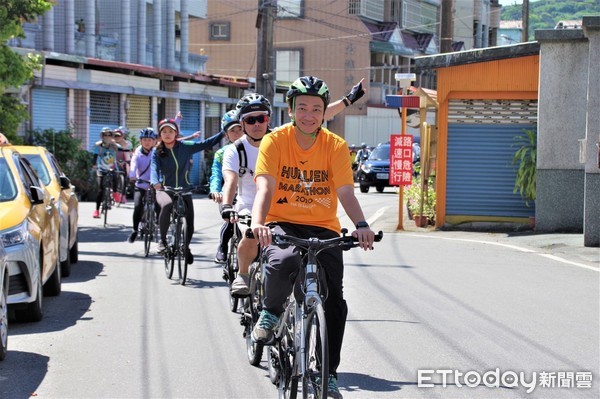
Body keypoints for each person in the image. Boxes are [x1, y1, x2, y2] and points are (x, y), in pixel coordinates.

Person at [250, 76, 376, 399]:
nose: (309, 114)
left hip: (324, 229)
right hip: (283, 222)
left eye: (316, 109)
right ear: (291, 109)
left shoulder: (335, 145)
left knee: (335, 303)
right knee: (283, 259)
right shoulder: (275, 140)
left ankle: (328, 373)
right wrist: (258, 222)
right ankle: (272, 311)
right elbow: (265, 187)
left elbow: (345, 192)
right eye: (302, 108)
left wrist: (361, 224)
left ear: (324, 113)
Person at [223, 80, 367, 296]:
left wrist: (348, 100)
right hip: (258, 207)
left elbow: (313, 115)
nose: (257, 124)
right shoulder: (242, 148)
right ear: (242, 124)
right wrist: (228, 205)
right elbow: (234, 181)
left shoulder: (322, 140)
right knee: (262, 246)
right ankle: (244, 276)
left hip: (308, 218)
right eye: (250, 120)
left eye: (261, 119)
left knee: (334, 295)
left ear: (267, 119)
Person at [151, 118, 224, 263]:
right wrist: (155, 182)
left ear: (176, 133)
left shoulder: (185, 146)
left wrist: (224, 131)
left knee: (189, 222)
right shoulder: (157, 152)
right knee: (166, 206)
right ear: (160, 135)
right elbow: (154, 168)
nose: (167, 134)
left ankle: (186, 247)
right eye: (164, 131)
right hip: (165, 189)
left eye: (170, 131)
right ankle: (163, 241)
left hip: (184, 189)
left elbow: (206, 143)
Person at [209, 110, 244, 263]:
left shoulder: (256, 148)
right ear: (226, 135)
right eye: (232, 131)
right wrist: (215, 191)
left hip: (250, 195)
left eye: (240, 129)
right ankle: (222, 247)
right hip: (229, 195)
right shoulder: (221, 154)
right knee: (231, 221)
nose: (237, 134)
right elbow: (216, 174)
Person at [127, 127, 157, 243]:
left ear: (154, 141)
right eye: (144, 140)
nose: (147, 142)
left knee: (160, 205)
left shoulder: (157, 153)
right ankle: (135, 230)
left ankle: (158, 226)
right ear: (140, 141)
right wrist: (132, 175)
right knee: (137, 205)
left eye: (150, 140)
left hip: (155, 184)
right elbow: (133, 165)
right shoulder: (137, 154)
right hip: (141, 184)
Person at [92, 127, 122, 218]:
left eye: (109, 135)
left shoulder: (114, 146)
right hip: (101, 169)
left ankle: (115, 192)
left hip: (112, 168)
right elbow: (95, 157)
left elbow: (122, 148)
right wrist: (94, 165)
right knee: (101, 189)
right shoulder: (99, 146)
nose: (107, 137)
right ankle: (96, 210)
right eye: (105, 135)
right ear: (102, 136)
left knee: (116, 175)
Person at [113, 126, 132, 204]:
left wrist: (128, 162)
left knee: (125, 177)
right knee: (113, 176)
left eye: (119, 135)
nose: (117, 137)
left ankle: (123, 195)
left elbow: (128, 154)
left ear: (123, 135)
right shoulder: (112, 143)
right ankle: (114, 193)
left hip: (124, 161)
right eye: (115, 135)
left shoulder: (127, 143)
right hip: (113, 162)